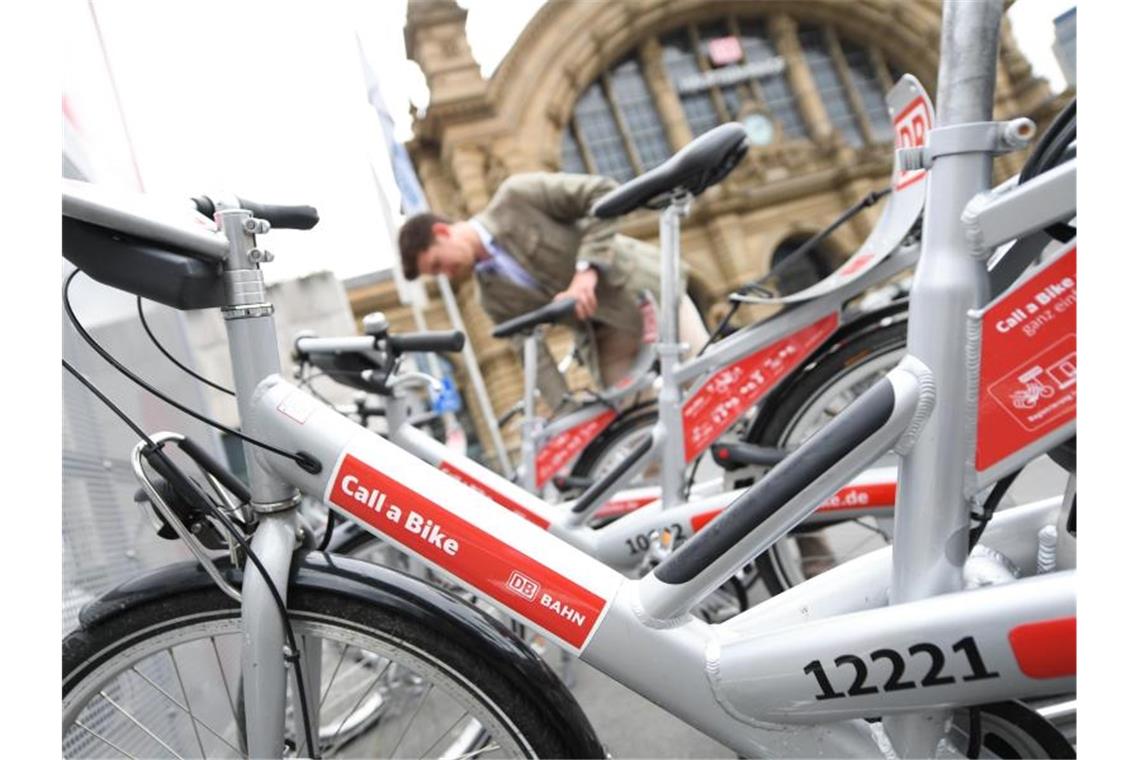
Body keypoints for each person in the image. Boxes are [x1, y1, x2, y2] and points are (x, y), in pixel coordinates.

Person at [398, 172, 709, 410]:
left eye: (439, 264)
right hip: (605, 339)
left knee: (714, 386)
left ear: (442, 232)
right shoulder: (490, 297)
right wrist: (565, 411)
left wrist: (587, 269)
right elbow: (533, 355)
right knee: (636, 436)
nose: (446, 275)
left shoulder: (517, 197)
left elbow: (604, 192)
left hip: (647, 293)